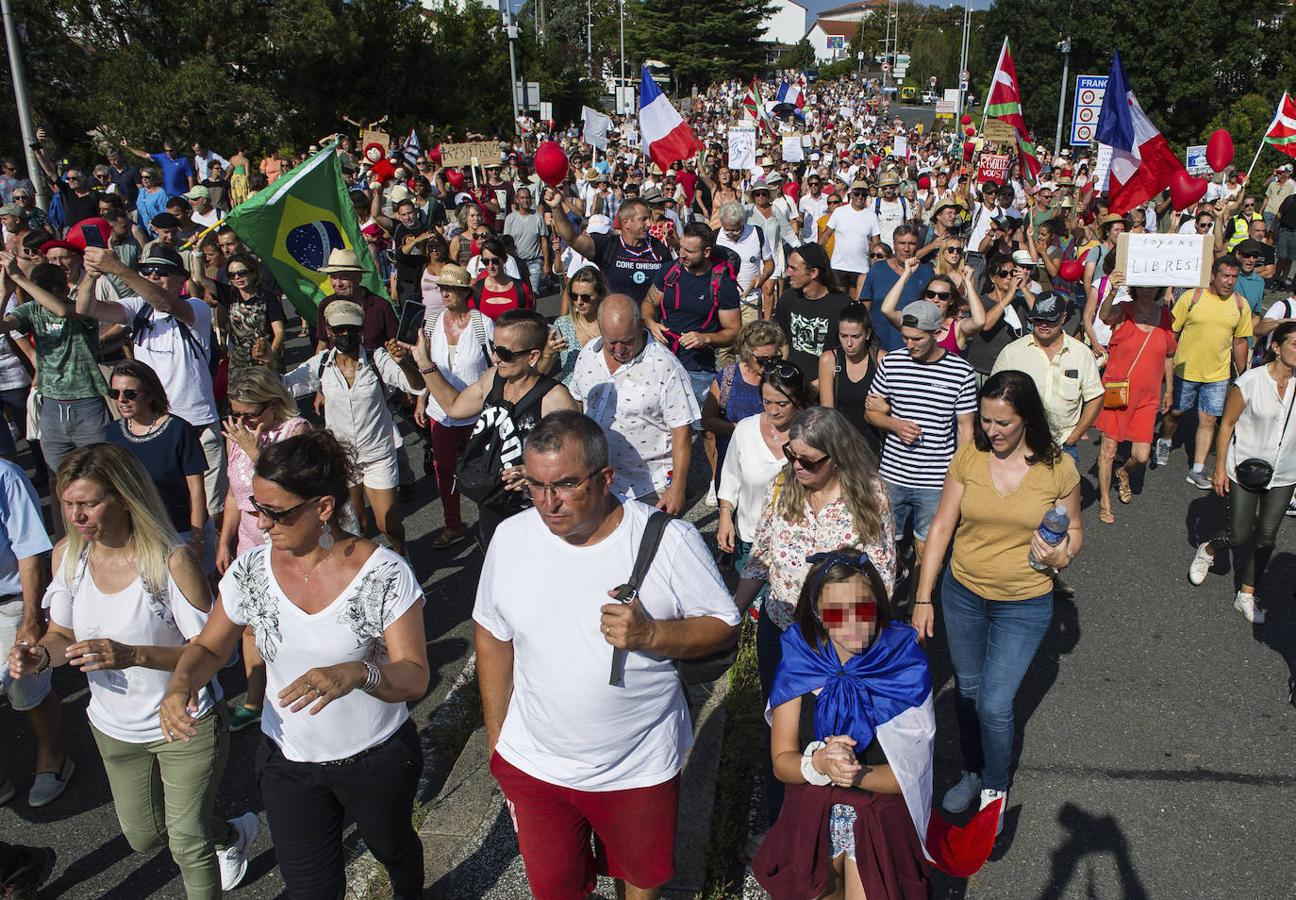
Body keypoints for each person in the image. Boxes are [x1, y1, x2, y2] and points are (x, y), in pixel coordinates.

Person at [474, 410, 740, 900]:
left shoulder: (667, 541)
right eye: (535, 485)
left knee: (641, 877)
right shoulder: (511, 538)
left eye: (565, 485)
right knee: (555, 889)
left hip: (637, 765)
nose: (548, 503)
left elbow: (724, 626)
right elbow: (492, 633)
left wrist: (653, 634)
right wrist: (498, 740)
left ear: (606, 478)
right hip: (536, 766)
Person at [161, 430, 429, 899]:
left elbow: (414, 675)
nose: (262, 524)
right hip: (288, 762)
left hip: (376, 757)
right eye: (255, 507)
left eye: (276, 512)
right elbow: (209, 648)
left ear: (323, 507)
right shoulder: (250, 571)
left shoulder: (385, 573)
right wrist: (180, 683)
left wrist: (357, 673)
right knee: (311, 890)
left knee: (393, 849)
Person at [8, 444, 257, 896]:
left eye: (88, 503)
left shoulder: (170, 560)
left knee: (186, 843)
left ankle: (209, 841)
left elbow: (215, 652)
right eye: (67, 504)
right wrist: (40, 655)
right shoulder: (68, 555)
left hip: (185, 724)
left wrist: (134, 655)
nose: (76, 515)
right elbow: (62, 634)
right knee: (145, 837)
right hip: (114, 728)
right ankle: (231, 834)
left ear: (123, 497)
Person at [913, 370, 1082, 835]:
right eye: (986, 420)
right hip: (963, 594)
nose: (992, 431)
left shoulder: (1057, 468)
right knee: (966, 693)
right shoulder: (968, 457)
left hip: (1024, 603)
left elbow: (1076, 532)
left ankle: (994, 783)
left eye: (1003, 422)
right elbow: (942, 527)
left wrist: (1062, 555)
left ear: (1026, 418)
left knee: (994, 702)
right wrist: (923, 597)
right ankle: (971, 770)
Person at [734, 407, 896, 832]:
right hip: (784, 634)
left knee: (835, 733)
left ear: (837, 456)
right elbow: (761, 557)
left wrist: (859, 640)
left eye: (809, 460)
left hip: (842, 646)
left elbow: (883, 580)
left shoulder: (869, 496)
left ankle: (837, 823)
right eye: (792, 455)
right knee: (784, 741)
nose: (797, 466)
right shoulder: (783, 486)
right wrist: (733, 609)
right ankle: (782, 825)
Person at [752, 552, 931, 900]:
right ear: (818, 614)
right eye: (837, 612)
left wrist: (856, 774)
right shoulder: (799, 660)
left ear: (878, 604)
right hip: (811, 816)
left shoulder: (903, 663)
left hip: (879, 817)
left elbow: (912, 774)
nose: (853, 622)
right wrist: (818, 763)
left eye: (863, 608)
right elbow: (781, 762)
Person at [77, 245, 226, 523]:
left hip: (197, 425)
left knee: (209, 510)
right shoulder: (137, 308)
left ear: (182, 280)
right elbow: (85, 307)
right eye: (148, 270)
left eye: (162, 271)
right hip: (155, 428)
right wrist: (91, 274)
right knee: (162, 509)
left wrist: (119, 269)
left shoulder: (197, 308)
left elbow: (166, 304)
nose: (153, 276)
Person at [410, 308, 579, 547]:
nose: (494, 357)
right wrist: (424, 363)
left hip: (533, 512)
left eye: (503, 352)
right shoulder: (493, 379)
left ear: (532, 356)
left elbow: (578, 460)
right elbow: (454, 407)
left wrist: (533, 472)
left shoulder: (555, 399)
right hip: (492, 502)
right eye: (493, 347)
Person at [282, 301, 421, 557]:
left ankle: (403, 557)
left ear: (361, 330)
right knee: (357, 528)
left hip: (378, 454)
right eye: (339, 329)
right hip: (342, 458)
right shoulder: (321, 364)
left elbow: (416, 385)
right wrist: (269, 362)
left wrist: (404, 363)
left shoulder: (378, 359)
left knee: (387, 523)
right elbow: (284, 386)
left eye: (352, 329)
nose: (346, 335)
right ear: (329, 330)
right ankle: (366, 572)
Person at [215, 367, 311, 733]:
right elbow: (233, 493)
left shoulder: (295, 431)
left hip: (285, 540)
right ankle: (254, 700)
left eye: (250, 414)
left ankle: (299, 692)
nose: (241, 421)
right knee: (250, 627)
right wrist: (225, 540)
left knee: (289, 622)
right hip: (248, 543)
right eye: (236, 414)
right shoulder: (235, 435)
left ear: (273, 404)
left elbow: (289, 490)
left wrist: (256, 451)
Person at [866, 299, 977, 603]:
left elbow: (966, 429)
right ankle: (888, 604)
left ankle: (917, 606)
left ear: (938, 333)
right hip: (893, 474)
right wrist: (894, 424)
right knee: (887, 545)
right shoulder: (892, 363)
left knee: (927, 549)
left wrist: (959, 477)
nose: (909, 344)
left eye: (917, 339)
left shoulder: (961, 372)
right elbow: (871, 412)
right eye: (905, 337)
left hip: (935, 479)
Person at [1187, 322, 1296, 623]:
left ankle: (1246, 593)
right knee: (1239, 533)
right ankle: (1208, 549)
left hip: (1285, 473)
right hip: (1245, 468)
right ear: (1276, 347)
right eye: (1295, 344)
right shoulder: (1250, 381)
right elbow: (1228, 424)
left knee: (1266, 538)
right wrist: (1219, 467)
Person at [569, 294, 698, 513]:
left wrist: (677, 487)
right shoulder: (588, 354)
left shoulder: (665, 366)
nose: (619, 350)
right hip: (599, 481)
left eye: (627, 342)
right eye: (611, 342)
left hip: (649, 487)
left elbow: (681, 430)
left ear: (640, 326)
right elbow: (577, 403)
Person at [0, 456, 71, 810]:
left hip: (10, 602)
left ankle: (53, 758)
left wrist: (30, 619)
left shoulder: (6, 476)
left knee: (24, 684)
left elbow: (29, 553)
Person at [413, 263, 495, 549]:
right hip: (441, 411)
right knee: (443, 469)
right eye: (442, 288)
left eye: (450, 288)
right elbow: (429, 367)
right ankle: (453, 525)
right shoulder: (433, 323)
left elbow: (496, 367)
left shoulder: (482, 324)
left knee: (484, 470)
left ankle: (490, 522)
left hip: (476, 411)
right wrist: (422, 398)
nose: (444, 293)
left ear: (464, 292)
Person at [103, 361, 213, 570]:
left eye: (130, 393)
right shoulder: (113, 433)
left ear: (151, 394)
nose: (121, 400)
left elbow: (196, 489)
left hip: (181, 531)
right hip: (138, 535)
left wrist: (197, 539)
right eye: (114, 393)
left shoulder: (179, 430)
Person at [1155, 255, 1252, 484]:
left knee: (1208, 420)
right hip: (1185, 370)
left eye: (1234, 277)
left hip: (1218, 375)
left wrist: (1243, 375)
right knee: (1176, 413)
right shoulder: (1192, 297)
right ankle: (1166, 440)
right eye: (1225, 276)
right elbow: (1172, 333)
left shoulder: (1240, 304)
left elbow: (1239, 341)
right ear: (1213, 276)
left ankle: (1197, 469)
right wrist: (1163, 366)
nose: (1229, 281)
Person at [1093, 274, 1177, 524]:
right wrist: (1111, 291)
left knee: (1141, 455)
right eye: (1143, 285)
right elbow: (1104, 316)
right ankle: (1105, 502)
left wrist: (1170, 389)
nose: (1147, 291)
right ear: (1135, 287)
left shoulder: (1165, 317)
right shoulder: (1124, 311)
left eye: (1152, 286)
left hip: (1147, 397)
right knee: (1108, 449)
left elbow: (1169, 355)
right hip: (1118, 391)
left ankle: (1124, 471)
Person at [992, 292, 1104, 467]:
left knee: (1065, 494)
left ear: (1064, 318)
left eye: (1050, 320)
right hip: (1019, 444)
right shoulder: (1011, 352)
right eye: (1037, 319)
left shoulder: (1082, 354)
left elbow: (1095, 397)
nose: (1043, 325)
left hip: (1063, 446)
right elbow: (994, 397)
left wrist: (1075, 435)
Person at [716, 363, 806, 578]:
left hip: (797, 542)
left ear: (798, 401)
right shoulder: (746, 430)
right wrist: (725, 517)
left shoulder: (812, 433)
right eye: (767, 402)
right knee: (750, 607)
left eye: (782, 403)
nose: (773, 410)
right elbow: (730, 479)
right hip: (750, 538)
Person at [642, 222, 741, 405]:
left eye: (690, 251)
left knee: (696, 428)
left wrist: (705, 338)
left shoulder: (723, 285)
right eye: (680, 248)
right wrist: (651, 323)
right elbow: (649, 303)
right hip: (662, 361)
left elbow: (734, 331)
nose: (682, 255)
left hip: (698, 369)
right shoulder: (669, 271)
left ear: (707, 252)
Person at [701, 320, 788, 504]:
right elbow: (707, 421)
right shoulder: (728, 378)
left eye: (775, 358)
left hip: (772, 470)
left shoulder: (782, 377)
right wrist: (743, 429)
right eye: (763, 360)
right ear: (746, 353)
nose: (769, 365)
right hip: (733, 466)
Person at [545, 192, 673, 304]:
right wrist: (556, 208)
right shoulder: (609, 246)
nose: (649, 224)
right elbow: (571, 238)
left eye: (649, 219)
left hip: (649, 326)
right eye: (643, 219)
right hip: (614, 325)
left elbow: (671, 287)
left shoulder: (659, 248)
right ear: (626, 222)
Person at [190, 251, 286, 374]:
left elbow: (279, 331)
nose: (237, 278)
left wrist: (271, 355)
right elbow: (199, 278)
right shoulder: (229, 294)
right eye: (232, 275)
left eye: (242, 273)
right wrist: (197, 251)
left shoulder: (267, 297)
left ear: (253, 273)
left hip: (266, 360)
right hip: (240, 364)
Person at [776, 243, 855, 383]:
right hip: (791, 385)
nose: (788, 273)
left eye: (793, 268)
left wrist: (818, 385)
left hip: (827, 386)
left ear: (813, 273)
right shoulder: (788, 298)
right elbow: (783, 343)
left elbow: (849, 355)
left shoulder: (844, 306)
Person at [878, 260, 986, 356]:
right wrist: (906, 274)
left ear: (951, 300)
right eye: (930, 294)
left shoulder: (957, 327)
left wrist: (968, 283)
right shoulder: (912, 320)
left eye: (943, 296)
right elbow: (887, 310)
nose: (935, 300)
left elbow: (980, 321)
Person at [857, 225, 935, 354]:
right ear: (894, 244)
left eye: (912, 243)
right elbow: (864, 310)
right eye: (902, 243)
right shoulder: (877, 270)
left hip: (912, 348)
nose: (906, 248)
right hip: (878, 346)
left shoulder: (927, 272)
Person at [818, 302, 881, 452]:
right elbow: (828, 411)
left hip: (873, 445)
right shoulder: (829, 360)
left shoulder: (880, 360)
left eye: (856, 336)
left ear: (867, 334)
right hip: (842, 446)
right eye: (843, 336)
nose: (849, 343)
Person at [541, 266, 607, 385]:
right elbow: (541, 374)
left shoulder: (611, 325)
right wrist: (548, 353)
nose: (579, 302)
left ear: (600, 295)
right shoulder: (562, 325)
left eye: (585, 297)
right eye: (574, 296)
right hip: (571, 397)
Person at [819, 180, 880, 299]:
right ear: (851, 194)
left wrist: (877, 261)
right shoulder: (839, 212)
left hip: (861, 267)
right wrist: (816, 252)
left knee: (855, 304)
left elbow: (876, 241)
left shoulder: (871, 215)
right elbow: (826, 234)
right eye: (857, 193)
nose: (860, 197)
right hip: (838, 266)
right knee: (836, 302)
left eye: (864, 194)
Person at [503, 186, 550, 298]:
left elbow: (544, 240)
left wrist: (546, 263)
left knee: (532, 294)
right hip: (516, 262)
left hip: (534, 261)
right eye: (522, 198)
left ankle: (533, 315)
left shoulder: (538, 218)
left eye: (528, 197)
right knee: (518, 295)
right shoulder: (510, 218)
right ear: (517, 199)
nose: (525, 200)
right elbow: (506, 241)